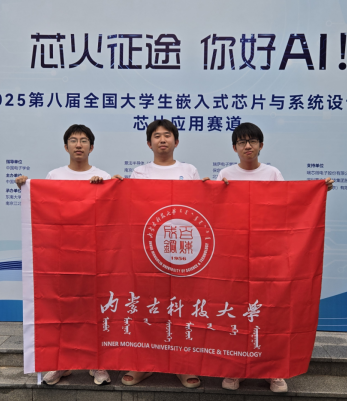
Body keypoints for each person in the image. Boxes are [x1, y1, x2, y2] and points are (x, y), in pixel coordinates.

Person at [217, 122, 334, 393]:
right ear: (234, 147)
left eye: (252, 141)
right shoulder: (225, 174)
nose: (248, 146)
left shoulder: (272, 173)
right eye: (242, 142)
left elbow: (287, 205)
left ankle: (274, 371)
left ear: (261, 145)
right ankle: (235, 369)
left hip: (268, 254)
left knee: (270, 312)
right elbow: (216, 209)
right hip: (235, 255)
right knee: (235, 312)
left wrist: (317, 190)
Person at [113, 119, 208, 389]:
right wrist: (117, 187)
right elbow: (130, 208)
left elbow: (200, 207)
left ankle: (182, 365)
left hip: (182, 251)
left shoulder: (189, 170)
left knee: (181, 307)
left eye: (167, 135)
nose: (162, 140)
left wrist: (210, 189)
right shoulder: (139, 172)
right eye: (157, 136)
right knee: (148, 306)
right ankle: (143, 364)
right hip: (149, 250)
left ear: (176, 141)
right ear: (149, 143)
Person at [16, 124, 112, 386]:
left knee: (93, 310)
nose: (78, 144)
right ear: (66, 146)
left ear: (92, 147)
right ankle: (60, 364)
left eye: (84, 140)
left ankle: (97, 364)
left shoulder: (102, 176)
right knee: (62, 310)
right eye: (73, 140)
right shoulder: (54, 175)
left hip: (94, 257)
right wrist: (26, 186)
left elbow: (113, 212)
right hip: (61, 257)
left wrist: (109, 186)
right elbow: (44, 208)